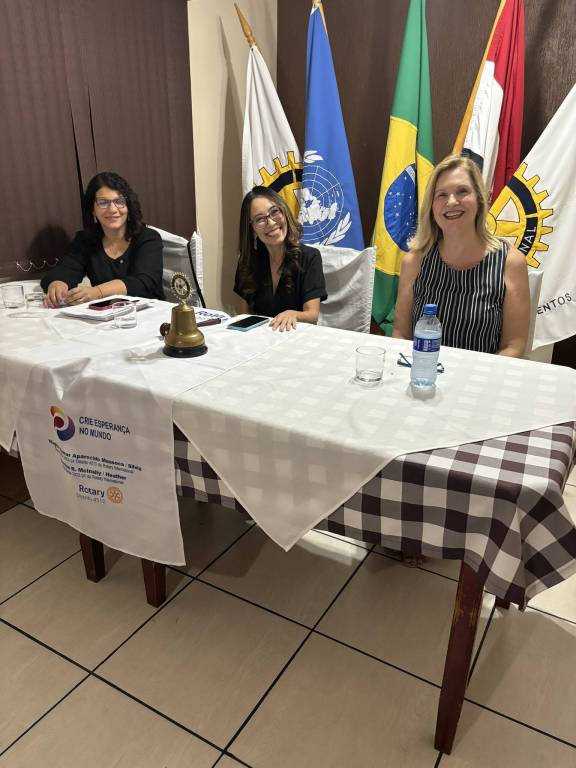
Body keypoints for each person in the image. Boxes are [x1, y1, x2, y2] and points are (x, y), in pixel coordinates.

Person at [393, 155, 529, 358]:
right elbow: (400, 334)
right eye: (441, 195)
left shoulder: (510, 262)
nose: (451, 201)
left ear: (480, 199)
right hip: (424, 371)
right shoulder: (415, 261)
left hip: (482, 374)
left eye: (462, 191)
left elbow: (513, 346)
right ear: (431, 207)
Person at [41, 171, 164, 306]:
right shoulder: (85, 239)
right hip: (106, 315)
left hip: (149, 312)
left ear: (128, 205)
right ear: (92, 209)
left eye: (119, 201)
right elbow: (65, 270)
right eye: (103, 202)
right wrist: (58, 284)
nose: (112, 209)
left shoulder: (148, 238)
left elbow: (144, 282)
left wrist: (98, 292)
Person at [234, 186, 327, 331]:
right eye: (260, 219)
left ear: (284, 212)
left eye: (274, 212)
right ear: (252, 229)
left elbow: (312, 315)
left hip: (294, 335)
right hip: (260, 337)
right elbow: (243, 316)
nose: (271, 223)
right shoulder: (248, 262)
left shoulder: (310, 257)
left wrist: (293, 314)